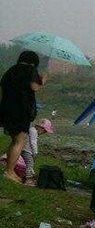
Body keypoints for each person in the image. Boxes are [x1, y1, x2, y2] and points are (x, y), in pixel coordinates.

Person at [0, 51, 47, 183]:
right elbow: (34, 87)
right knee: (20, 141)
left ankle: (9, 170)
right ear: (33, 61)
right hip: (21, 110)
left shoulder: (10, 71)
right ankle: (9, 172)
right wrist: (43, 79)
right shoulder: (30, 70)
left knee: (14, 140)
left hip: (6, 109)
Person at [21, 118, 54, 186]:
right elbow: (33, 142)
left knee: (29, 164)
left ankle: (27, 175)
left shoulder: (32, 130)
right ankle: (28, 180)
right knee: (29, 164)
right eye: (44, 131)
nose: (44, 133)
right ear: (40, 127)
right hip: (27, 151)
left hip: (26, 150)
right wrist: (35, 152)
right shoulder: (34, 131)